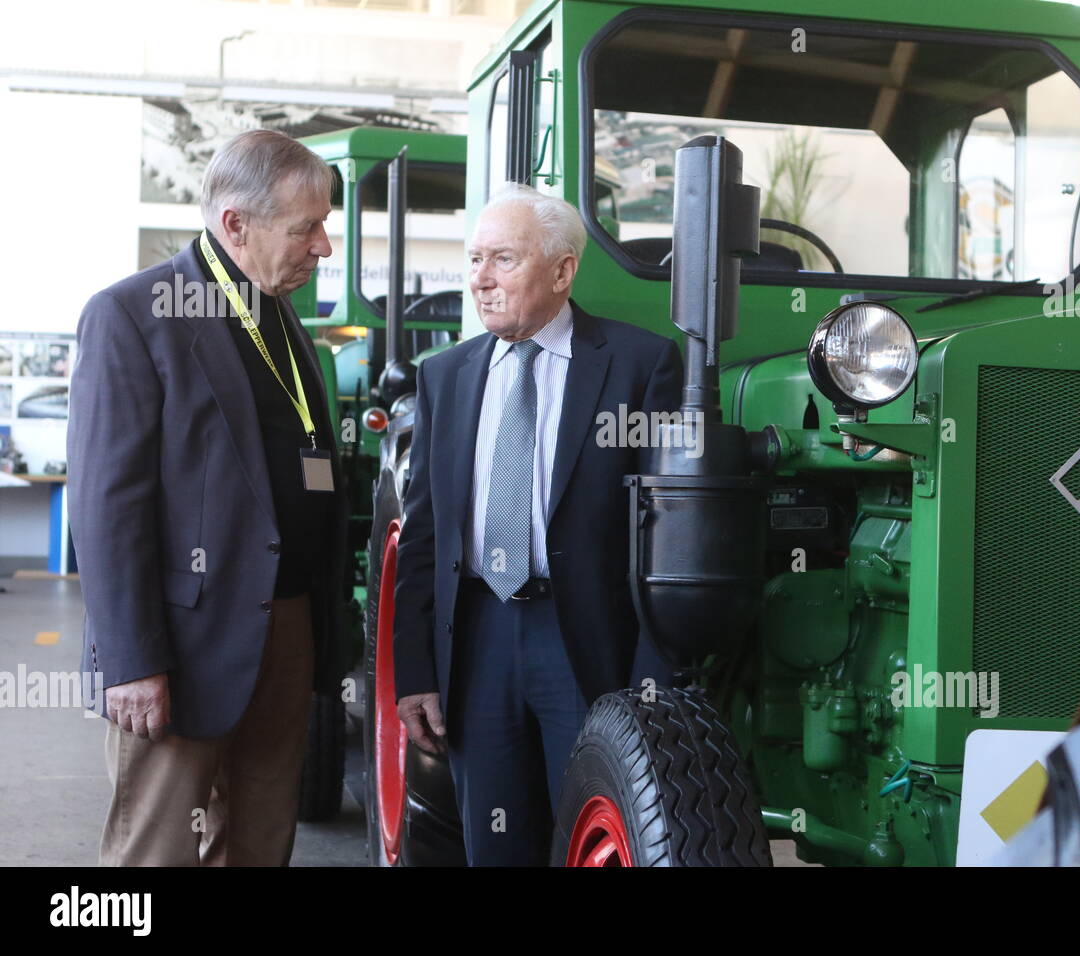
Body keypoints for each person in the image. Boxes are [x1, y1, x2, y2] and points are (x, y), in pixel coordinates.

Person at [67, 128, 348, 866]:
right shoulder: (132, 316)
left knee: (261, 841)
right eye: (307, 228)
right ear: (235, 225)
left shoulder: (287, 323)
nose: (324, 247)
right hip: (180, 643)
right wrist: (131, 659)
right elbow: (107, 503)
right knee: (155, 851)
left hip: (285, 629)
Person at [392, 183, 683, 866]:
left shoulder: (640, 367)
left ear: (562, 270)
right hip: (477, 644)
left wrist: (651, 681)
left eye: (502, 260)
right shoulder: (447, 377)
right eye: (473, 261)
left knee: (595, 833)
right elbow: (425, 536)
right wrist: (414, 672)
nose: (480, 281)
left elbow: (663, 536)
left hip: (586, 646)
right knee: (493, 842)